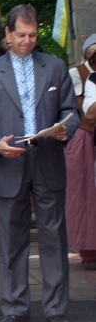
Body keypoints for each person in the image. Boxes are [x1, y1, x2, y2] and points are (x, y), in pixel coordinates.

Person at [0, 4, 80, 322]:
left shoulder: (56, 67)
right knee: (11, 241)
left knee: (54, 240)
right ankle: (15, 309)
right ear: (7, 34)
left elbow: (70, 109)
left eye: (32, 35)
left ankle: (56, 309)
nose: (27, 41)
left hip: (48, 159)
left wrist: (64, 129)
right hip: (10, 162)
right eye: (21, 36)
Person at [65, 35, 96, 269]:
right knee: (83, 194)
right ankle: (88, 251)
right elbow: (76, 109)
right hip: (84, 139)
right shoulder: (77, 74)